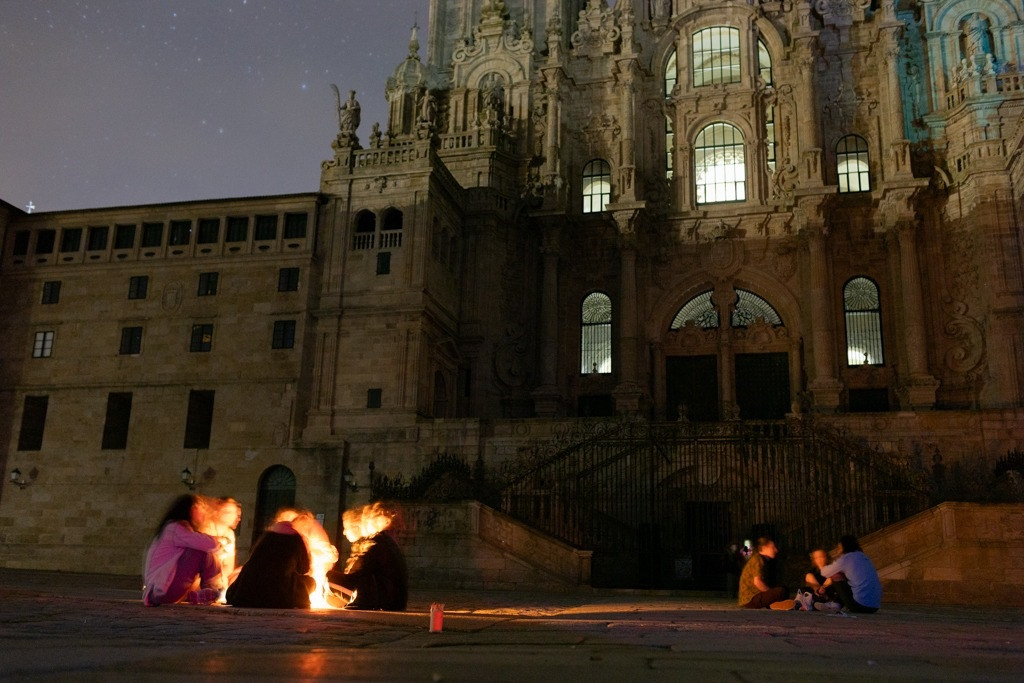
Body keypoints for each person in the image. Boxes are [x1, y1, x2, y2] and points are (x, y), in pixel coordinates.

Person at [143, 494, 224, 606]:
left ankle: (202, 593)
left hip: (160, 591)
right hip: (163, 590)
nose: (204, 512)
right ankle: (211, 589)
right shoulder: (176, 528)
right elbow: (209, 544)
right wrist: (220, 541)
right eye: (200, 507)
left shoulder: (172, 528)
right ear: (190, 509)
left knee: (201, 548)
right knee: (201, 550)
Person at [225, 510, 316, 609]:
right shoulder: (296, 539)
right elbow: (304, 569)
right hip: (280, 594)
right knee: (311, 582)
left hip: (247, 593)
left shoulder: (266, 537)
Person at [328, 503, 408, 611]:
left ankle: (359, 602)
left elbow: (359, 574)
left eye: (365, 521)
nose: (363, 524)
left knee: (328, 577)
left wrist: (329, 574)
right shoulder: (386, 541)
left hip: (384, 600)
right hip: (395, 600)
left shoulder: (375, 543)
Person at [819, 535, 882, 613]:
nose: (837, 550)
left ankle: (836, 604)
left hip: (860, 606)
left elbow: (824, 572)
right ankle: (836, 603)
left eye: (839, 548)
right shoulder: (864, 557)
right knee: (846, 575)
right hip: (874, 607)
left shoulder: (846, 558)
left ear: (844, 547)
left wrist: (821, 563)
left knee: (836, 575)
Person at [737, 536, 792, 609]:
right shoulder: (757, 559)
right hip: (751, 599)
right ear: (764, 548)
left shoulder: (763, 559)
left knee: (783, 590)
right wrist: (771, 592)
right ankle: (775, 604)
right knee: (781, 591)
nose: (776, 550)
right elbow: (757, 582)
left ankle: (775, 604)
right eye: (772, 547)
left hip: (754, 597)